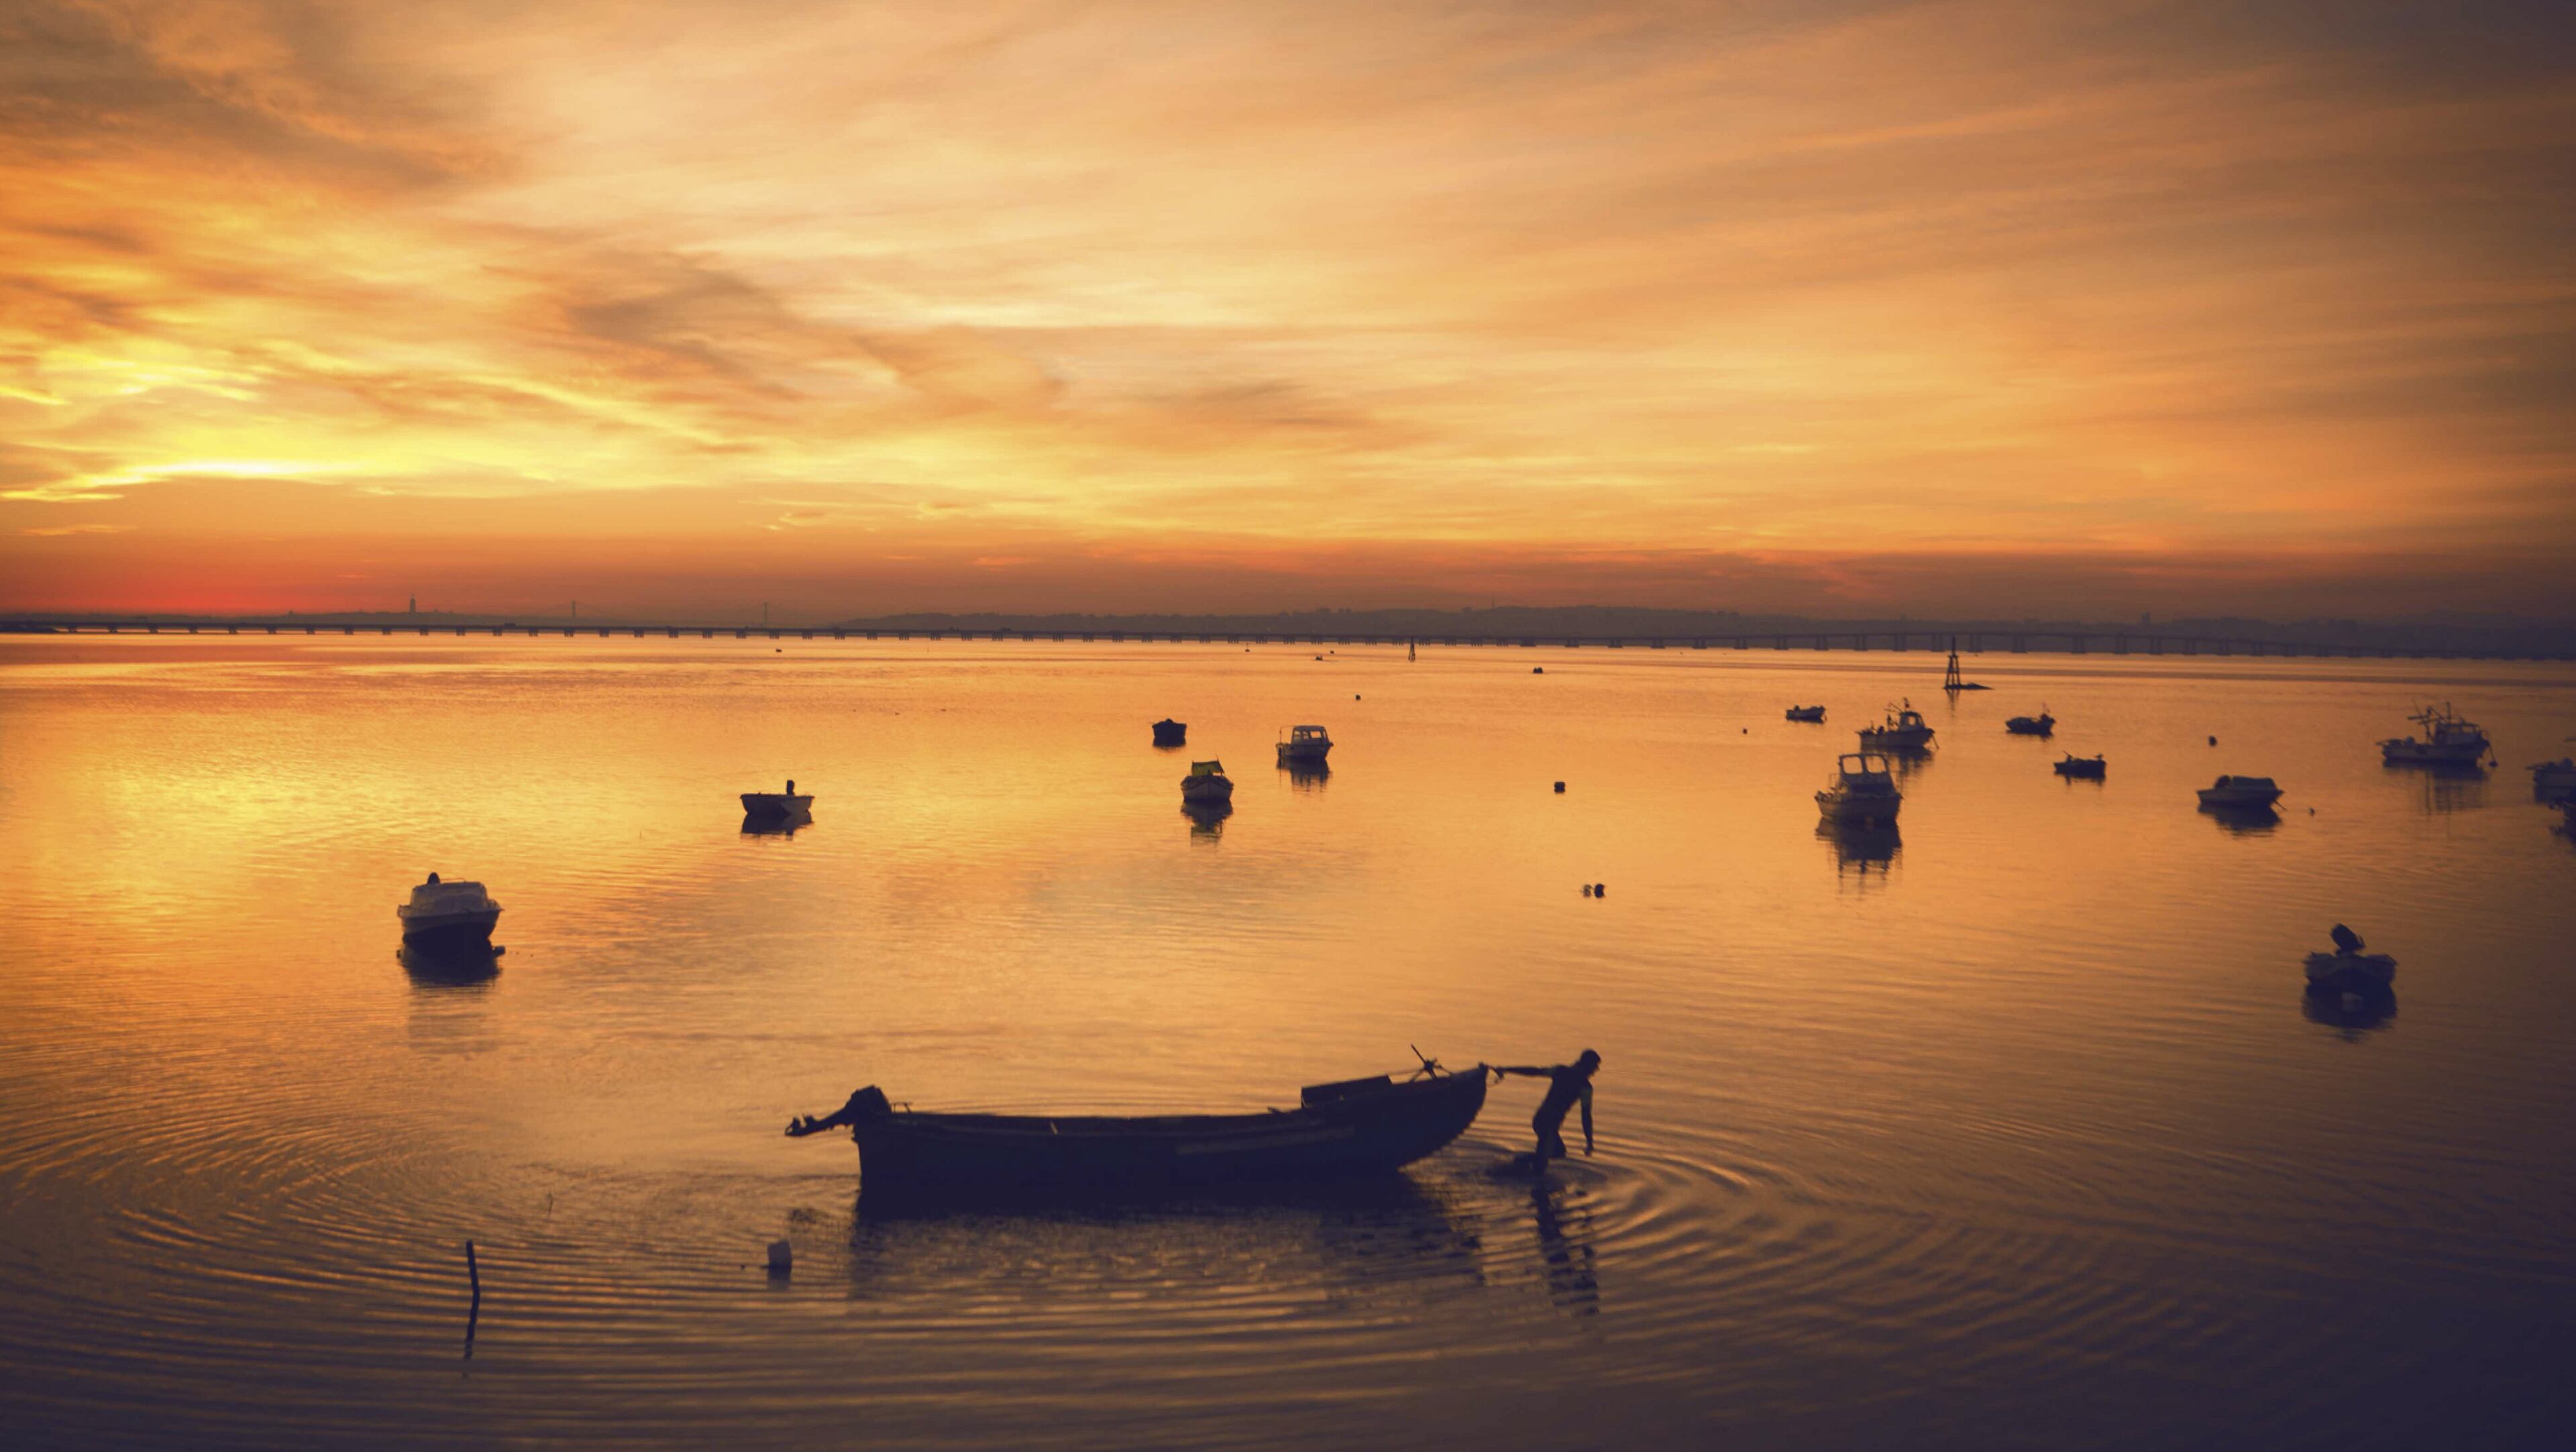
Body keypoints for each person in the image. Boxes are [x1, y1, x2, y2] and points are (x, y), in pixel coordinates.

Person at [1494, 1050, 1601, 1160]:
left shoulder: (1560, 1071)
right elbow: (1586, 1117)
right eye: (1595, 1066)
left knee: (1552, 1153)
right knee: (1555, 1153)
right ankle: (1516, 1162)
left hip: (1541, 1120)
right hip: (1548, 1124)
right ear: (1587, 1066)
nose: (1595, 1070)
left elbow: (1534, 1071)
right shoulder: (1585, 1087)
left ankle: (1518, 1166)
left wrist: (1506, 1069)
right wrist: (1589, 1142)